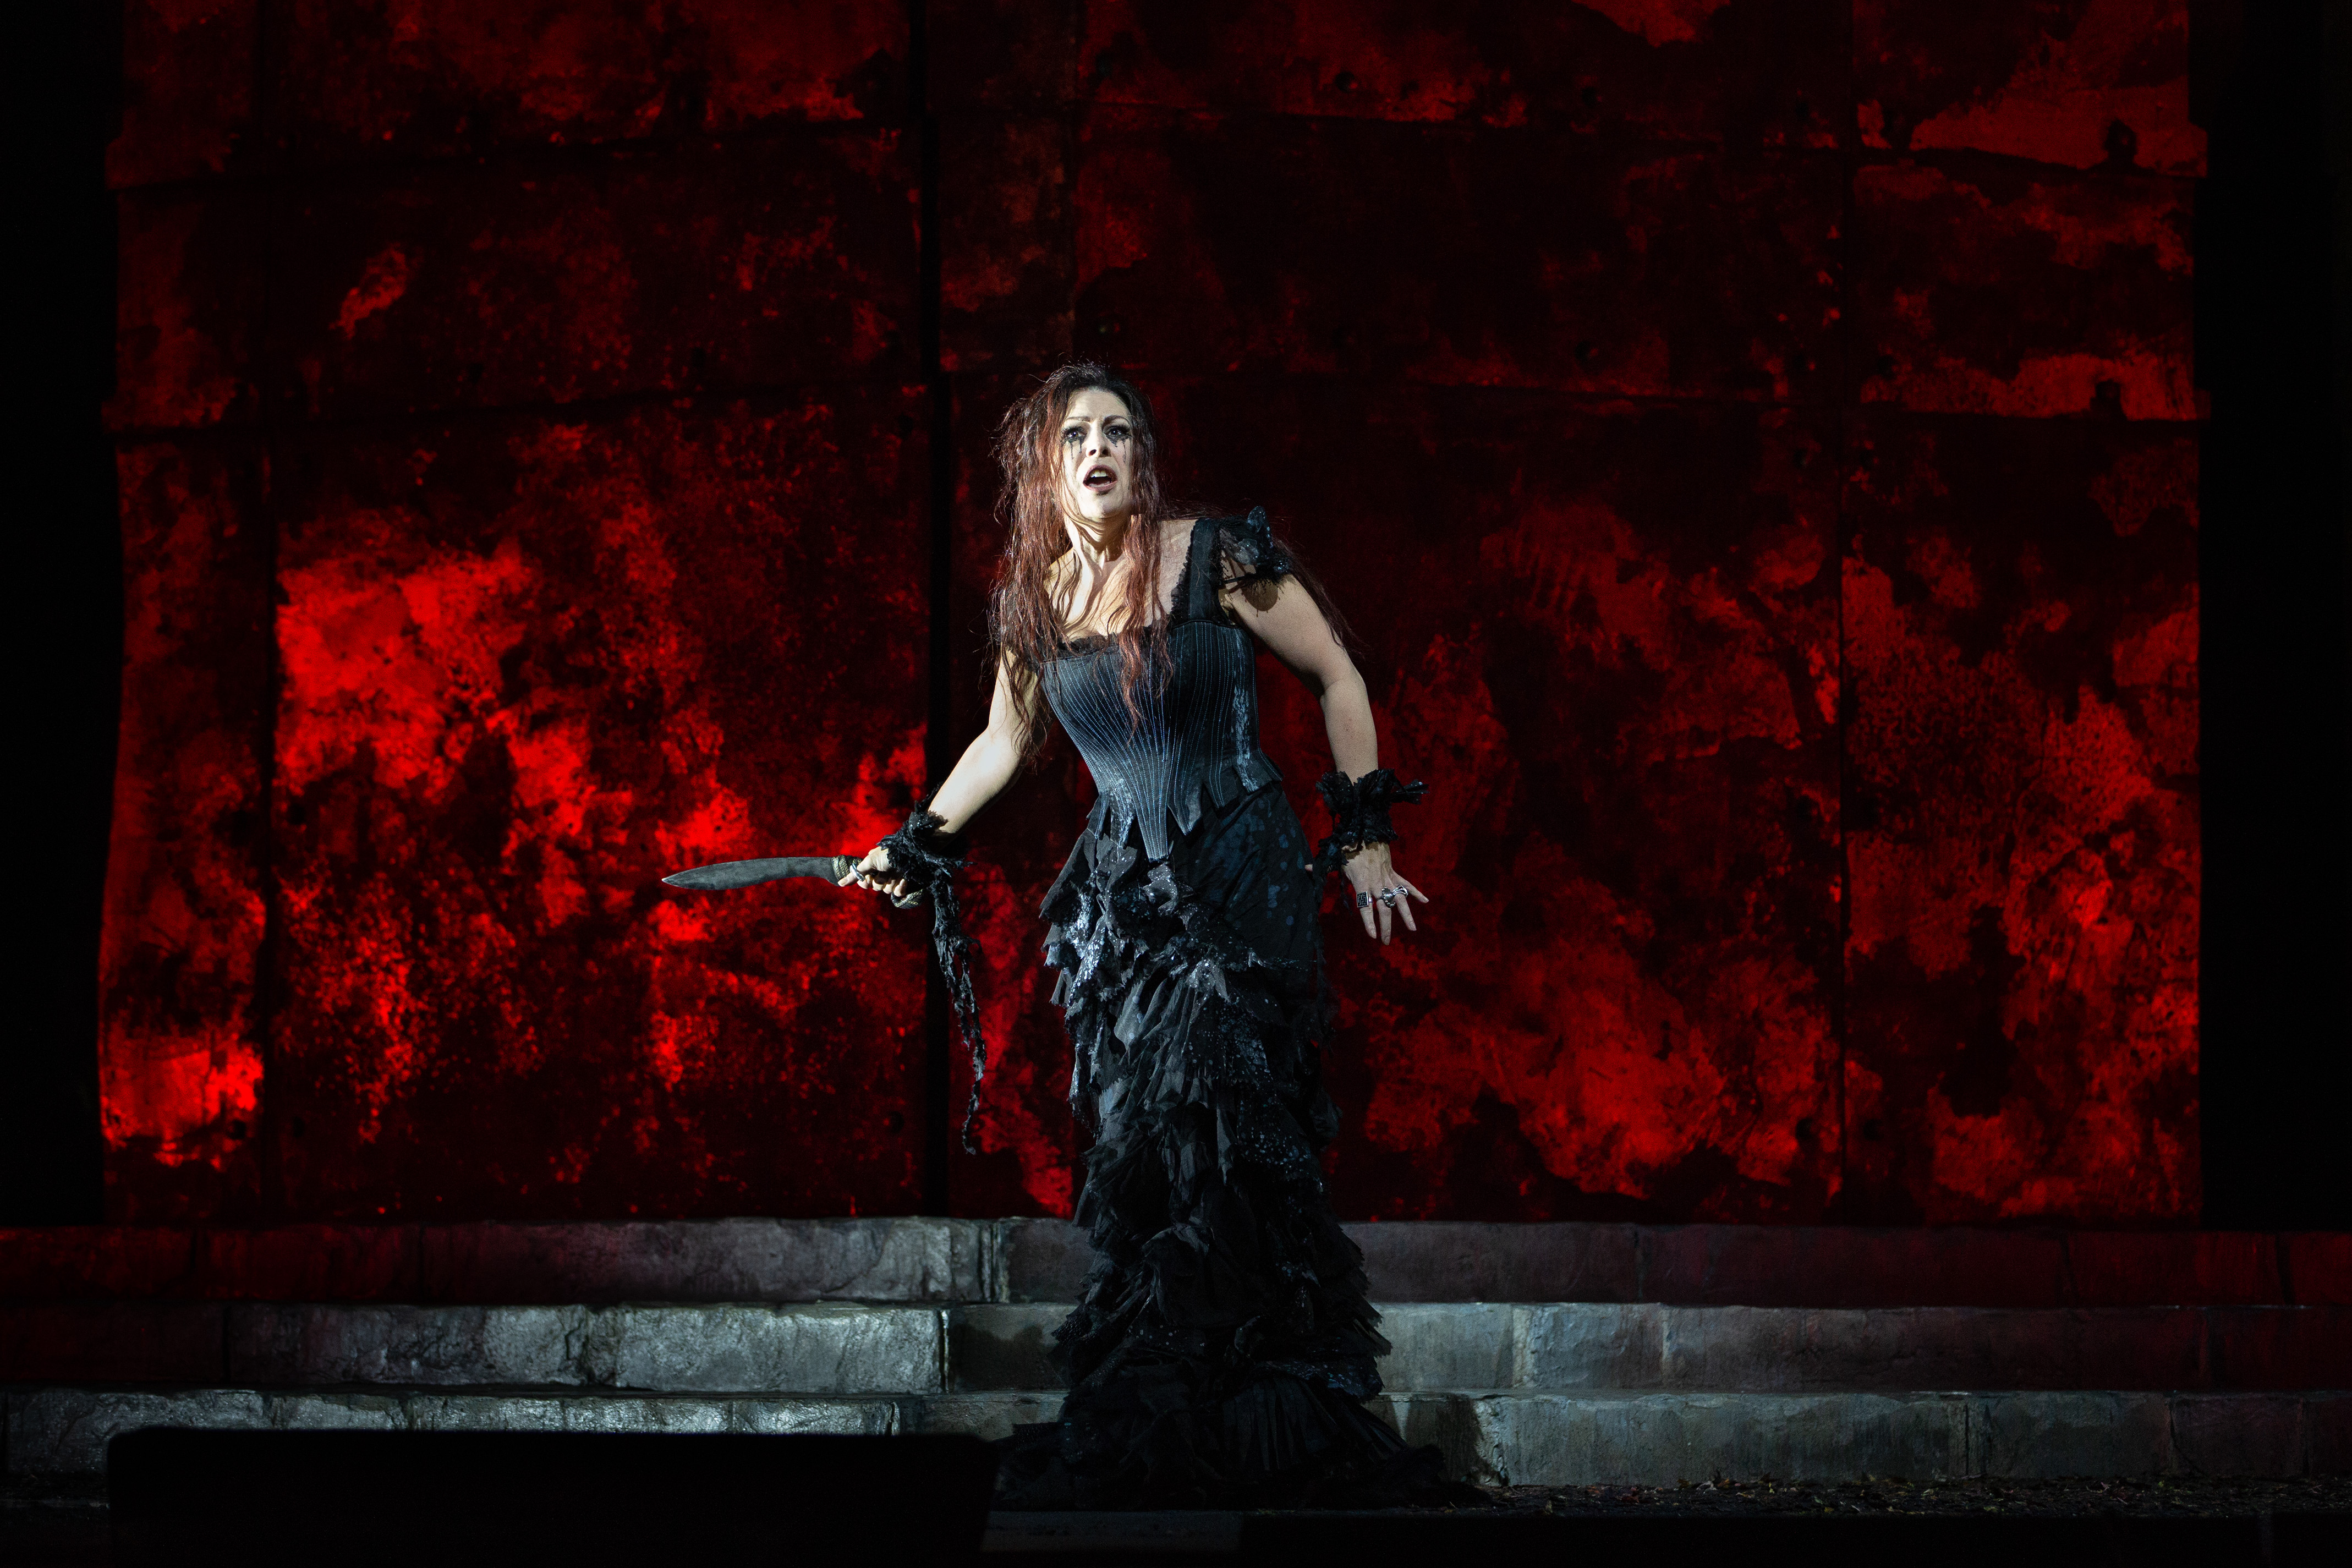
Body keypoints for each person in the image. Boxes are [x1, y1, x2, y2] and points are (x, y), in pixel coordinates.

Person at [841, 362, 1446, 1508]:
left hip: (1242, 876)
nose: (1099, 450)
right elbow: (1002, 745)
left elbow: (1337, 673)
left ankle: (1269, 1423)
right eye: (1076, 435)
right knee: (1153, 1159)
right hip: (1125, 912)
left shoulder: (1215, 556)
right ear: (1046, 465)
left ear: (1141, 454)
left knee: (1234, 1140)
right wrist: (913, 843)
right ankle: (1178, 1423)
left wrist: (1365, 835)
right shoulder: (1035, 603)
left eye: (1117, 431)